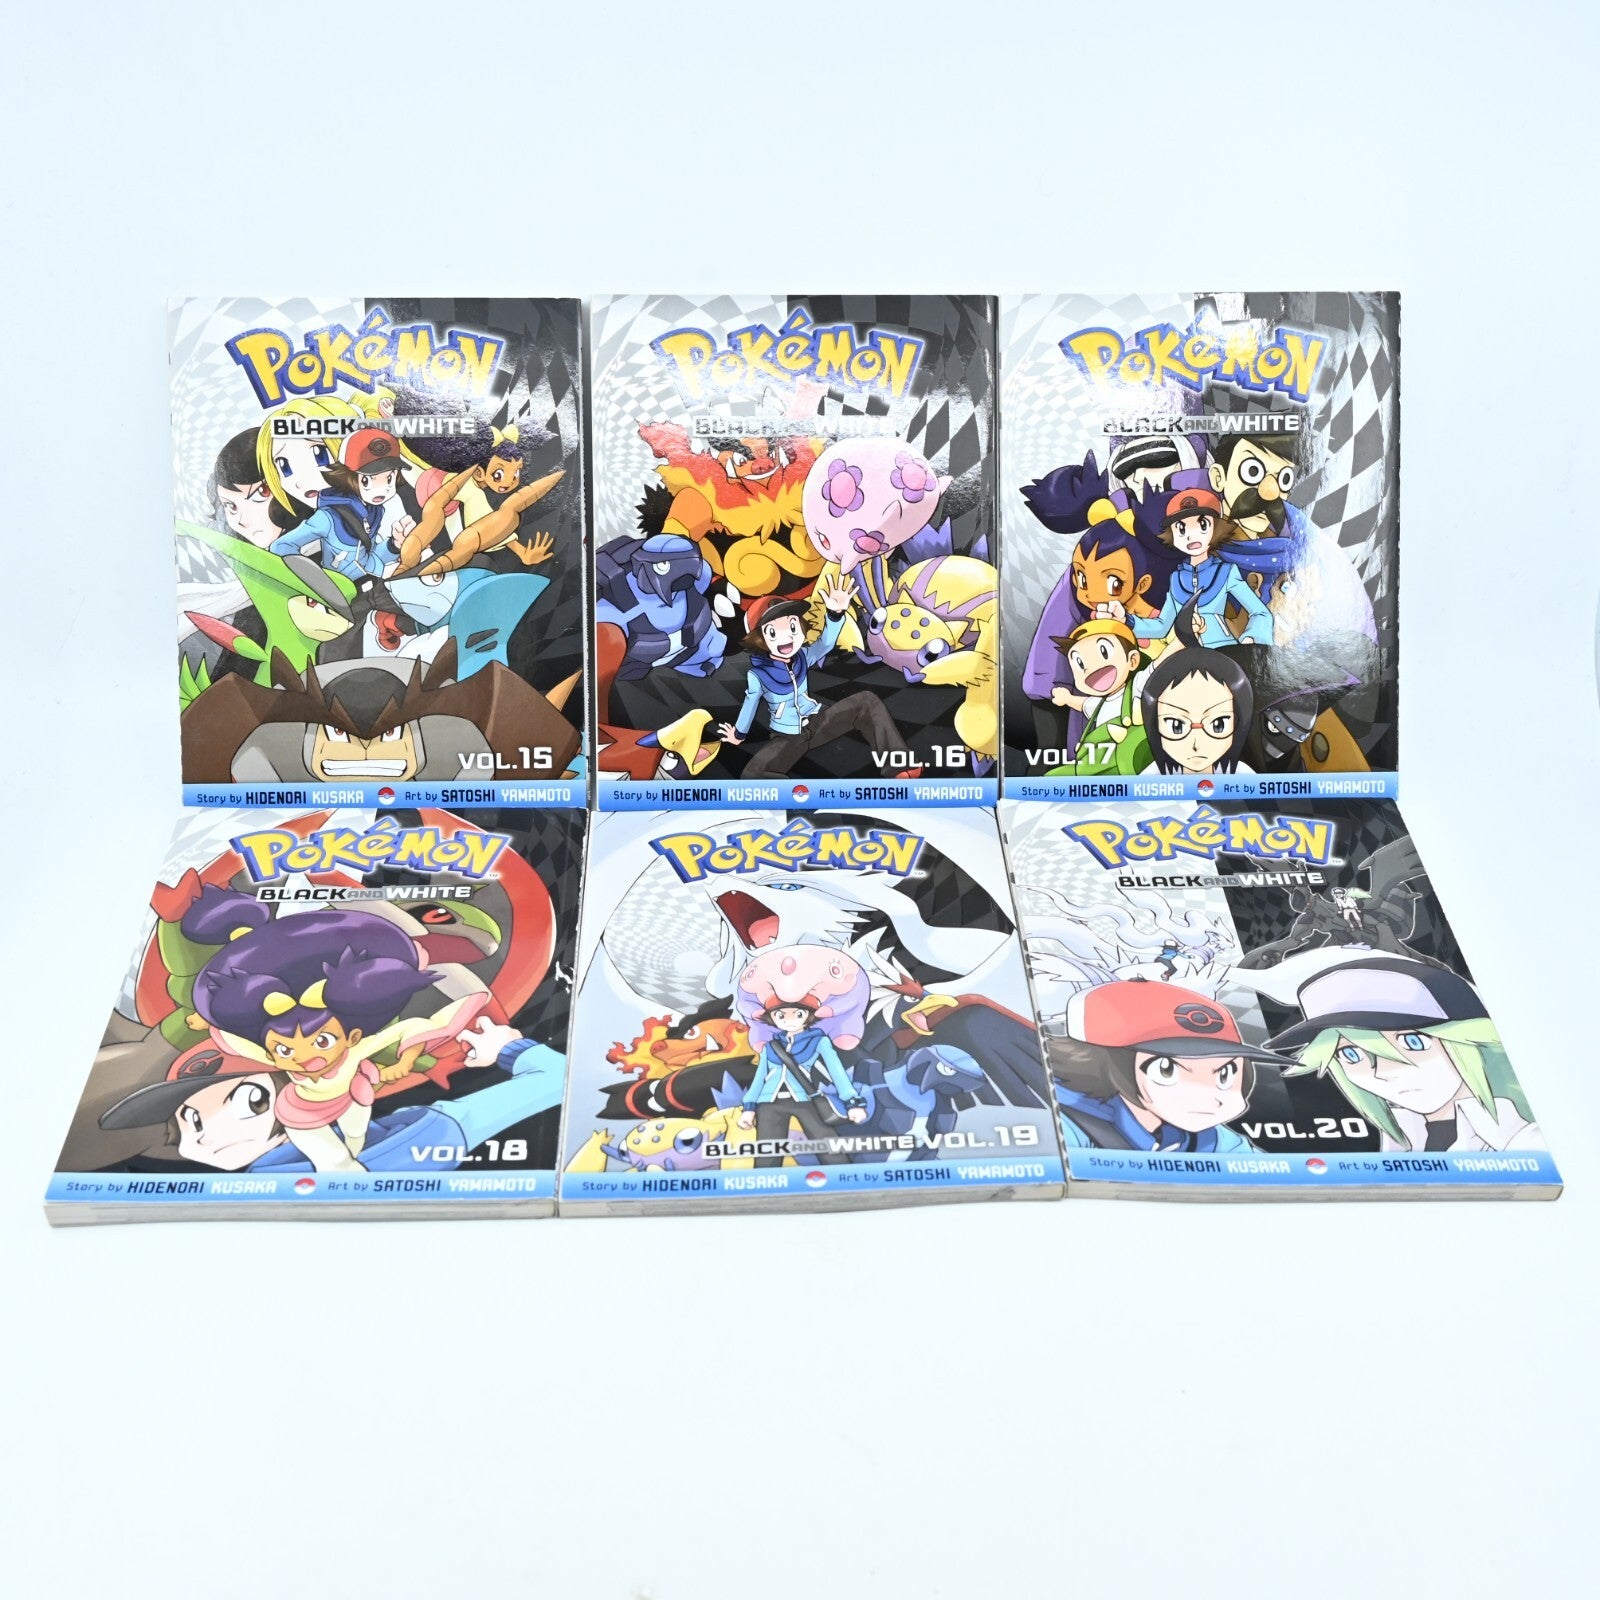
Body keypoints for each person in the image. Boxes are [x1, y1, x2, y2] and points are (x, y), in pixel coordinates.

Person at [1267, 955, 1542, 1153]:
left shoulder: (1525, 1144)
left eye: (1413, 1042)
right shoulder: (1398, 1140)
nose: (1384, 1072)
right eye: (1350, 1055)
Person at [1049, 980, 1288, 1152]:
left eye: (1224, 1074)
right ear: (1107, 1063)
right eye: (1167, 1070)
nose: (1210, 1097)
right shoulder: (1066, 1123)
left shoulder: (1205, 1134)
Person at [719, 584, 914, 777]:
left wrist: (835, 614)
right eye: (773, 632)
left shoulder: (803, 656)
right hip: (789, 737)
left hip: (819, 721)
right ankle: (798, 794)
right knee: (752, 775)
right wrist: (739, 734)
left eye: (792, 627)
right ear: (759, 639)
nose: (787, 637)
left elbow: (825, 643)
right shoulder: (758, 674)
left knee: (866, 701)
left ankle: (900, 768)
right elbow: (750, 702)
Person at [738, 997, 867, 1168]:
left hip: (805, 1099)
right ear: (772, 1018)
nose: (789, 1020)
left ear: (808, 1015)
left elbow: (837, 1071)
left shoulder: (818, 1041)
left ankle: (847, 1178)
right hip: (769, 1103)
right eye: (781, 1016)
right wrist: (749, 1108)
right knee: (767, 1158)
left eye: (798, 1014)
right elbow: (759, 1078)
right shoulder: (770, 1047)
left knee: (829, 1148)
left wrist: (852, 1102)